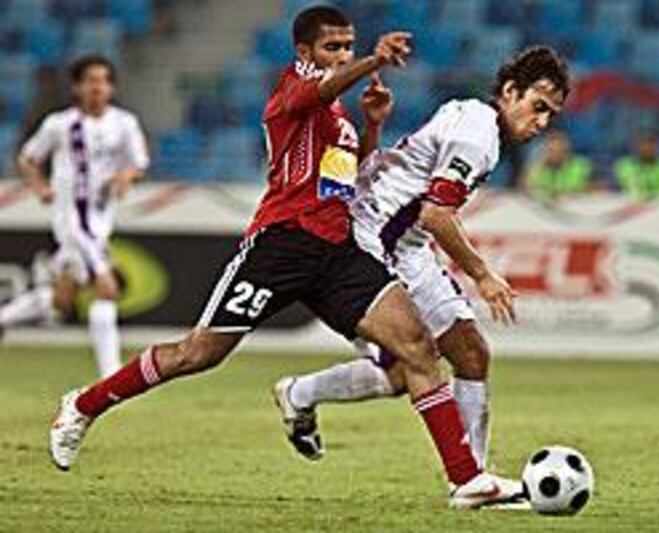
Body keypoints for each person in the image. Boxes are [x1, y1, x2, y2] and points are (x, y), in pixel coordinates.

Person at [48, 6, 518, 509]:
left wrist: (373, 126)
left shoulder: (337, 120)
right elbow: (317, 91)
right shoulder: (290, 90)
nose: (340, 55)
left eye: (347, 46)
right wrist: (370, 60)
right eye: (331, 47)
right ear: (304, 53)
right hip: (281, 244)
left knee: (418, 349)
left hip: (337, 252)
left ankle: (466, 479)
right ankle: (82, 404)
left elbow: (347, 181)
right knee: (197, 354)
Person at [272, 46, 570, 475]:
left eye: (550, 115)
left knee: (470, 353)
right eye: (537, 107)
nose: (542, 122)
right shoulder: (477, 131)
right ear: (509, 90)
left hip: (406, 245)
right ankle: (300, 394)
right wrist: (482, 275)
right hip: (371, 240)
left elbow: (415, 197)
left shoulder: (473, 118)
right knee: (404, 369)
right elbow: (436, 215)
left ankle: (475, 477)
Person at [5, 55, 149, 378]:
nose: (98, 87)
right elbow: (28, 158)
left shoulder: (124, 124)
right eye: (91, 81)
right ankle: (111, 375)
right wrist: (40, 187)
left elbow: (139, 163)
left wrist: (126, 176)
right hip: (72, 223)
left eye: (103, 81)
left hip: (101, 219)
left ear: (111, 87)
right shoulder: (60, 124)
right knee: (107, 288)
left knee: (62, 299)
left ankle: (3, 319)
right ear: (77, 88)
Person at [523, 130, 591, 199]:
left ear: (566, 151)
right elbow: (525, 188)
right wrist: (539, 164)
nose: (555, 155)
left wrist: (571, 192)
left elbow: (597, 188)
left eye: (559, 150)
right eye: (551, 151)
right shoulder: (539, 167)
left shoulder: (580, 165)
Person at [614, 131, 659, 200]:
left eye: (652, 142)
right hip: (630, 206)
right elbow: (613, 191)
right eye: (644, 142)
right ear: (636, 146)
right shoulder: (624, 166)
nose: (648, 147)